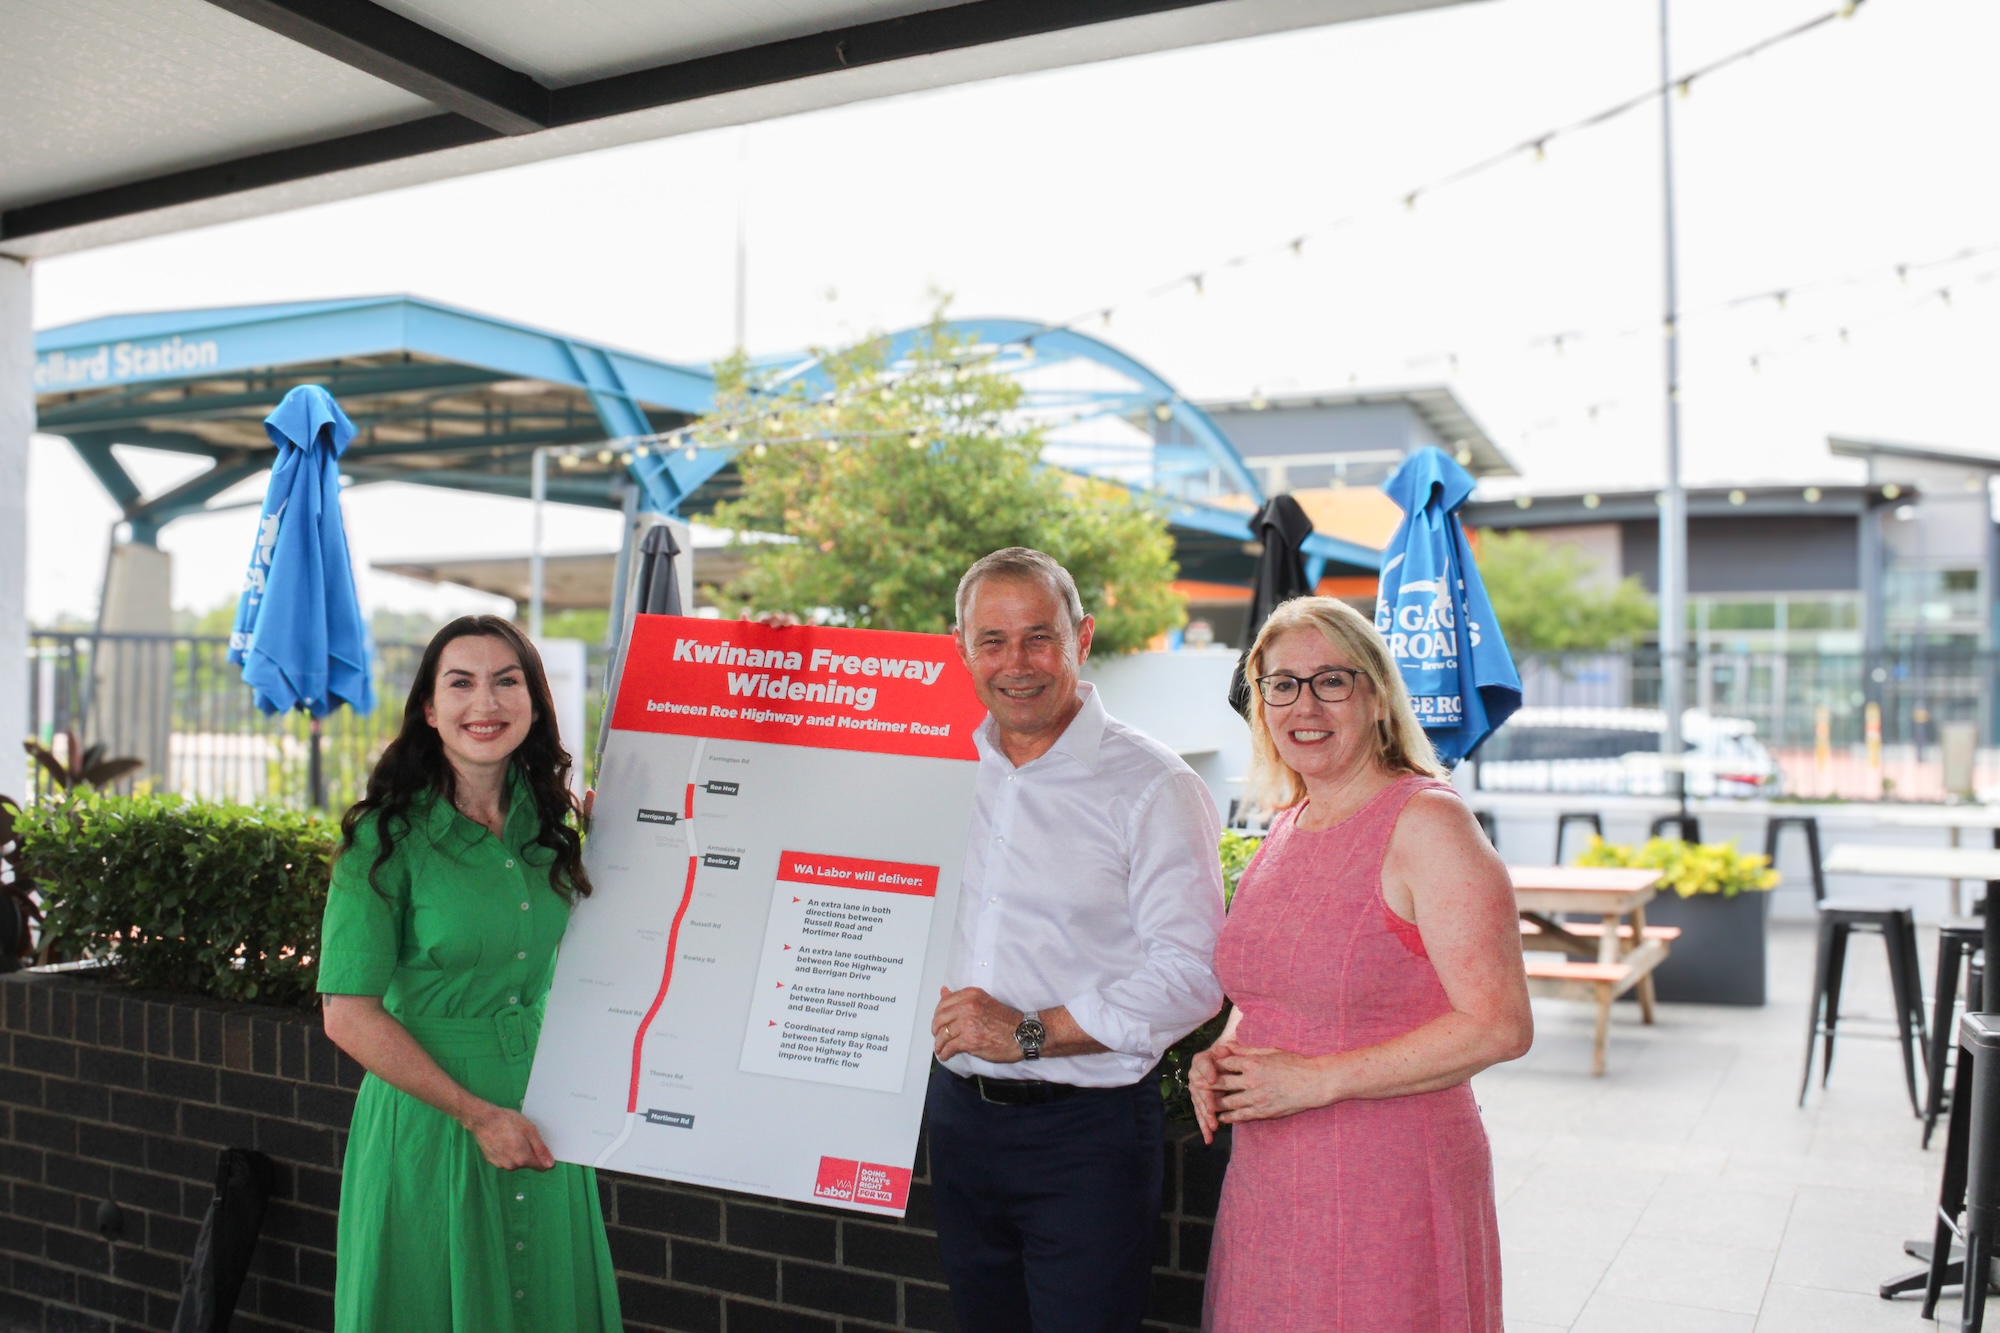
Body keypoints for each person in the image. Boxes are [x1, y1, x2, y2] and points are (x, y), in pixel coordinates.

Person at [1192, 596, 1532, 1333]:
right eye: (1282, 684)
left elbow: (1500, 1026)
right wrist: (1224, 1050)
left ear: (1377, 697)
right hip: (1271, 1180)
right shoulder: (1289, 822)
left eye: (1331, 681)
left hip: (1389, 1179)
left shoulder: (1429, 823)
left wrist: (1316, 1079)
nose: (1304, 705)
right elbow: (1273, 988)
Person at [927, 547, 1226, 1333]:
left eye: (1039, 636)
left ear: (1081, 637)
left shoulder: (1154, 785)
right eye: (992, 640)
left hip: (1086, 1138)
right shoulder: (938, 766)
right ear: (960, 647)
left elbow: (1193, 972)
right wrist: (777, 658)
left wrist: (1029, 1031)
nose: (1016, 663)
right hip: (958, 1123)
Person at [318, 615, 622, 1333]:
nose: (485, 703)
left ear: (534, 703)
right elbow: (346, 1014)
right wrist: (475, 1114)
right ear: (430, 708)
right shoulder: (382, 839)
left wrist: (626, 838)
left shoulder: (557, 828)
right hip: (430, 1117)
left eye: (506, 682)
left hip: (547, 1105)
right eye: (461, 683)